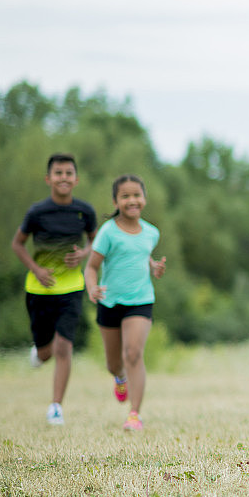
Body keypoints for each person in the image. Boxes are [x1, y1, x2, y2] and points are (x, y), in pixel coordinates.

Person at [11, 153, 97, 425]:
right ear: (49, 179)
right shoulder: (37, 212)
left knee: (64, 347)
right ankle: (38, 351)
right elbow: (18, 244)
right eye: (58, 173)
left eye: (68, 173)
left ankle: (56, 406)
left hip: (71, 288)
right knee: (47, 351)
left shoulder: (85, 211)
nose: (64, 177)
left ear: (76, 179)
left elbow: (96, 243)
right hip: (39, 290)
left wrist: (83, 254)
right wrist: (36, 269)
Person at [84, 174, 166, 431]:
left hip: (141, 301)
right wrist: (91, 288)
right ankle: (120, 378)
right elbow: (91, 267)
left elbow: (142, 255)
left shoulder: (152, 232)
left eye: (136, 195)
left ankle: (134, 414)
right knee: (114, 363)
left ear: (144, 198)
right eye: (125, 196)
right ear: (116, 201)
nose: (132, 200)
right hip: (110, 302)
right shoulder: (108, 232)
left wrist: (154, 267)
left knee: (133, 353)